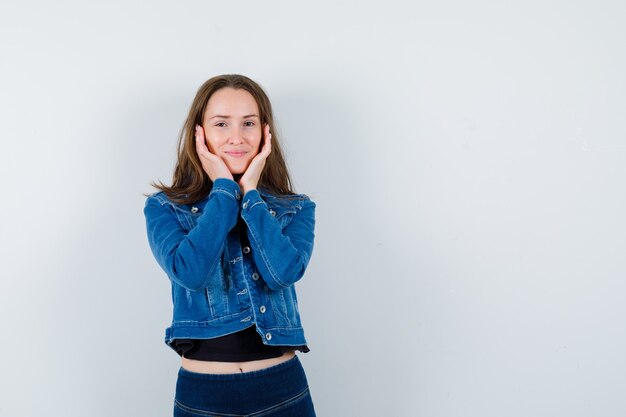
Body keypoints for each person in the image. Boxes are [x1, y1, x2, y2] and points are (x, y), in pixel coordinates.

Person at [143, 74, 317, 416]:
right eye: (221, 123)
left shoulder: (295, 208)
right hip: (204, 396)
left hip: (282, 389)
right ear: (200, 132)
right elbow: (190, 273)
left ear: (265, 132)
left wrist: (250, 194)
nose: (236, 137)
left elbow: (283, 273)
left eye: (248, 123)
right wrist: (224, 187)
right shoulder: (165, 207)